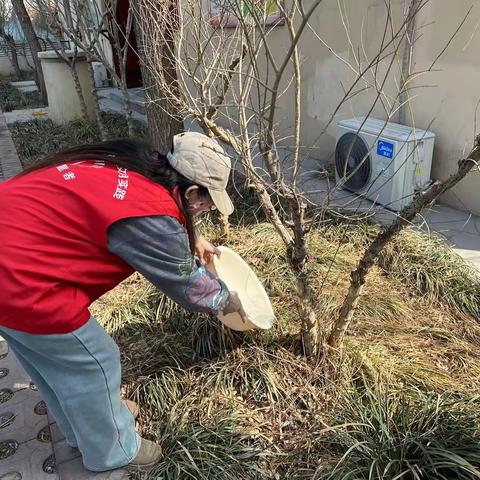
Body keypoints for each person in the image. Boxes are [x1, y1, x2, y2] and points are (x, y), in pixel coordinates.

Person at [0, 132, 246, 472]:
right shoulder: (150, 214)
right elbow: (187, 283)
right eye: (206, 203)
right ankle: (115, 450)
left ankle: (86, 425)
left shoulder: (134, 165)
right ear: (191, 193)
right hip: (19, 280)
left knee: (53, 365)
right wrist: (227, 299)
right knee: (94, 361)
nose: (205, 210)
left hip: (11, 238)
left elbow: (148, 219)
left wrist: (194, 237)